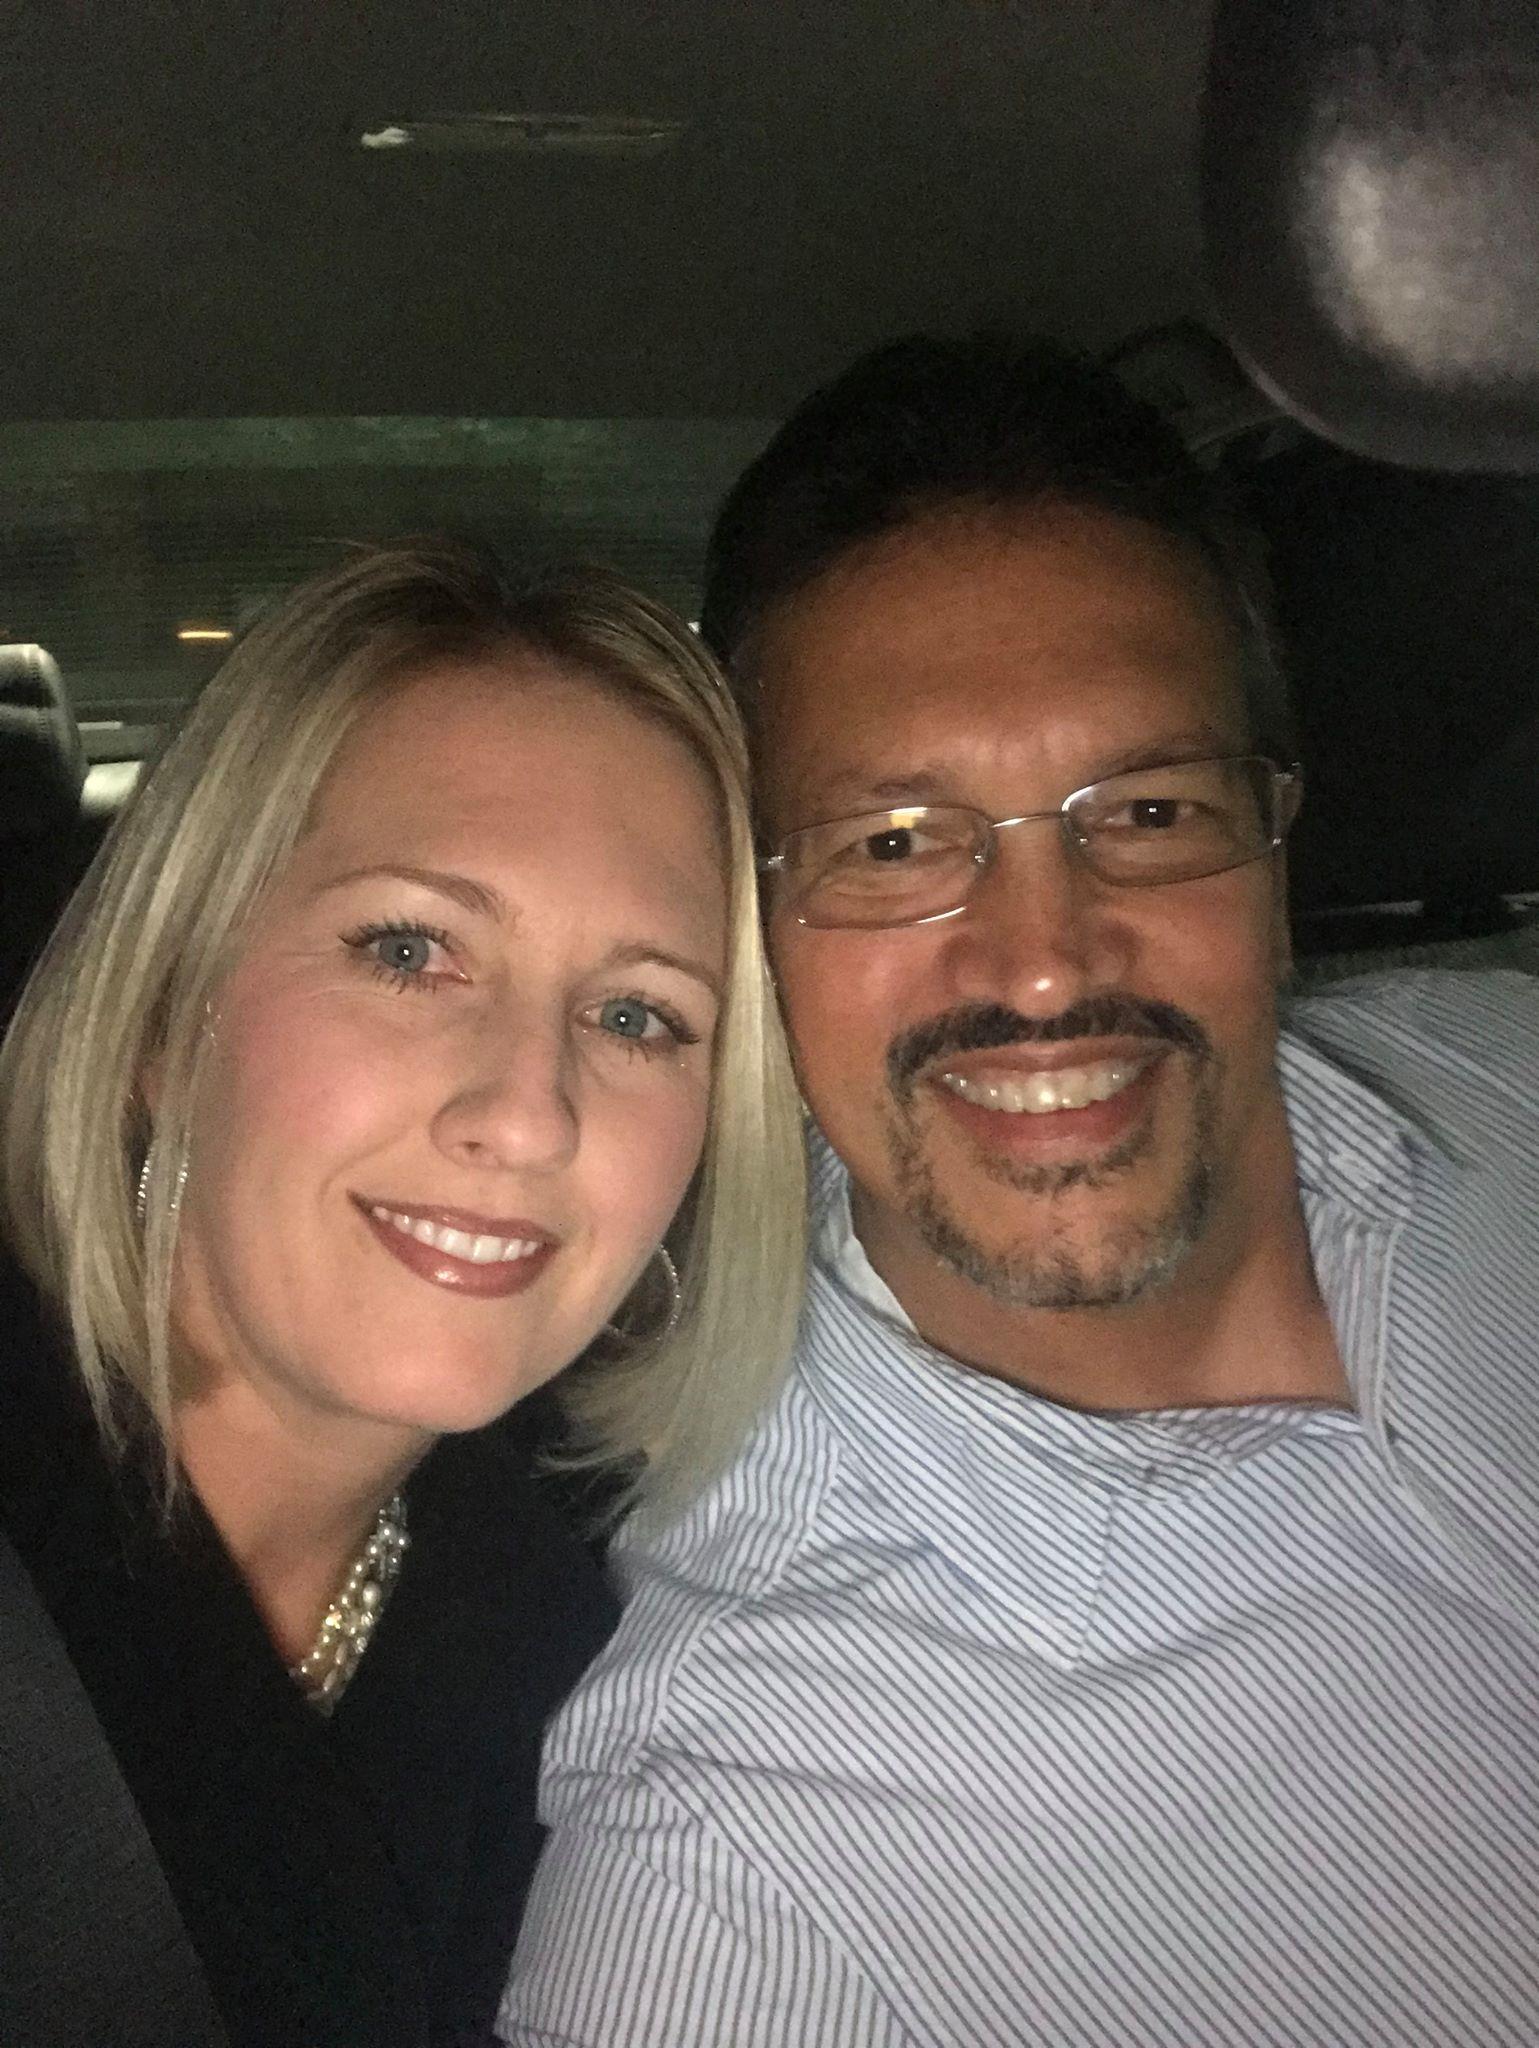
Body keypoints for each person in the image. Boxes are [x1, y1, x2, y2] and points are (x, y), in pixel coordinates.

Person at [500, 338, 1539, 2046]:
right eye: (894, 843)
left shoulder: (1507, 1058)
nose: (1046, 964)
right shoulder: (743, 1866)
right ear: (752, 925)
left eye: (1149, 808)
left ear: (1275, 843)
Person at [0, 541, 805, 2048]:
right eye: (411, 949)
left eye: (639, 1015)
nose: (529, 1113)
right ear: (167, 1015)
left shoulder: (571, 1635)